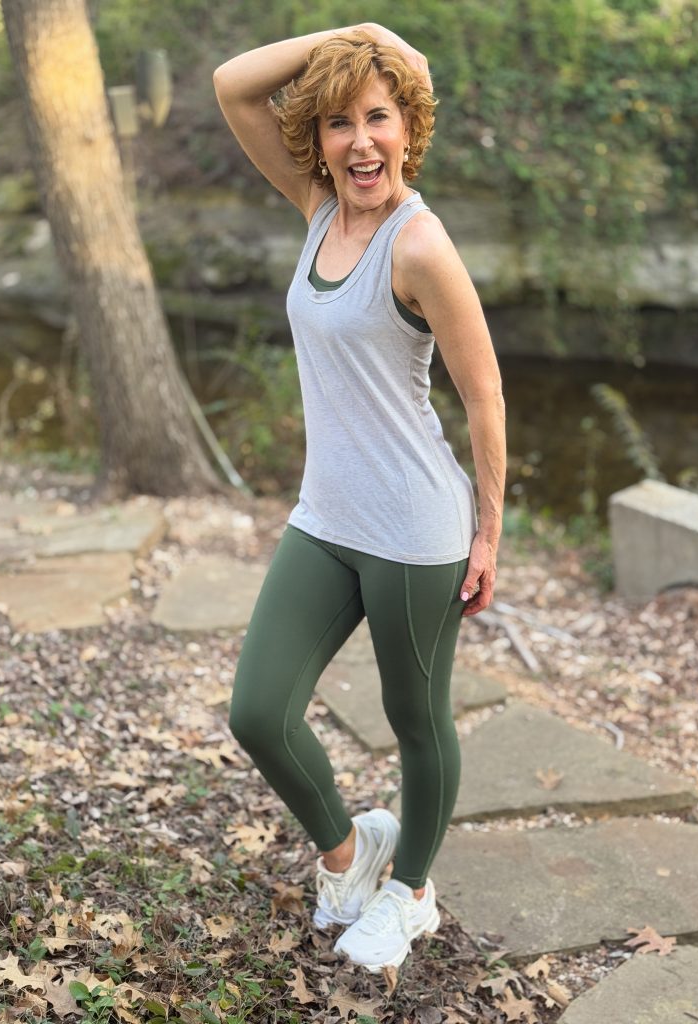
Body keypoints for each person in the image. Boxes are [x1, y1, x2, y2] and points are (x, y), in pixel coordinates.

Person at [213, 22, 506, 973]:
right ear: (320, 142)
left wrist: (490, 530)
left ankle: (411, 891)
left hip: (417, 531)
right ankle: (350, 852)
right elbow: (230, 85)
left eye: (377, 117)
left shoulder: (419, 245)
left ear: (407, 129)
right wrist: (360, 34)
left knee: (417, 720)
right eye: (339, 123)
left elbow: (485, 391)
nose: (359, 141)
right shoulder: (314, 206)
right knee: (259, 710)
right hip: (328, 517)